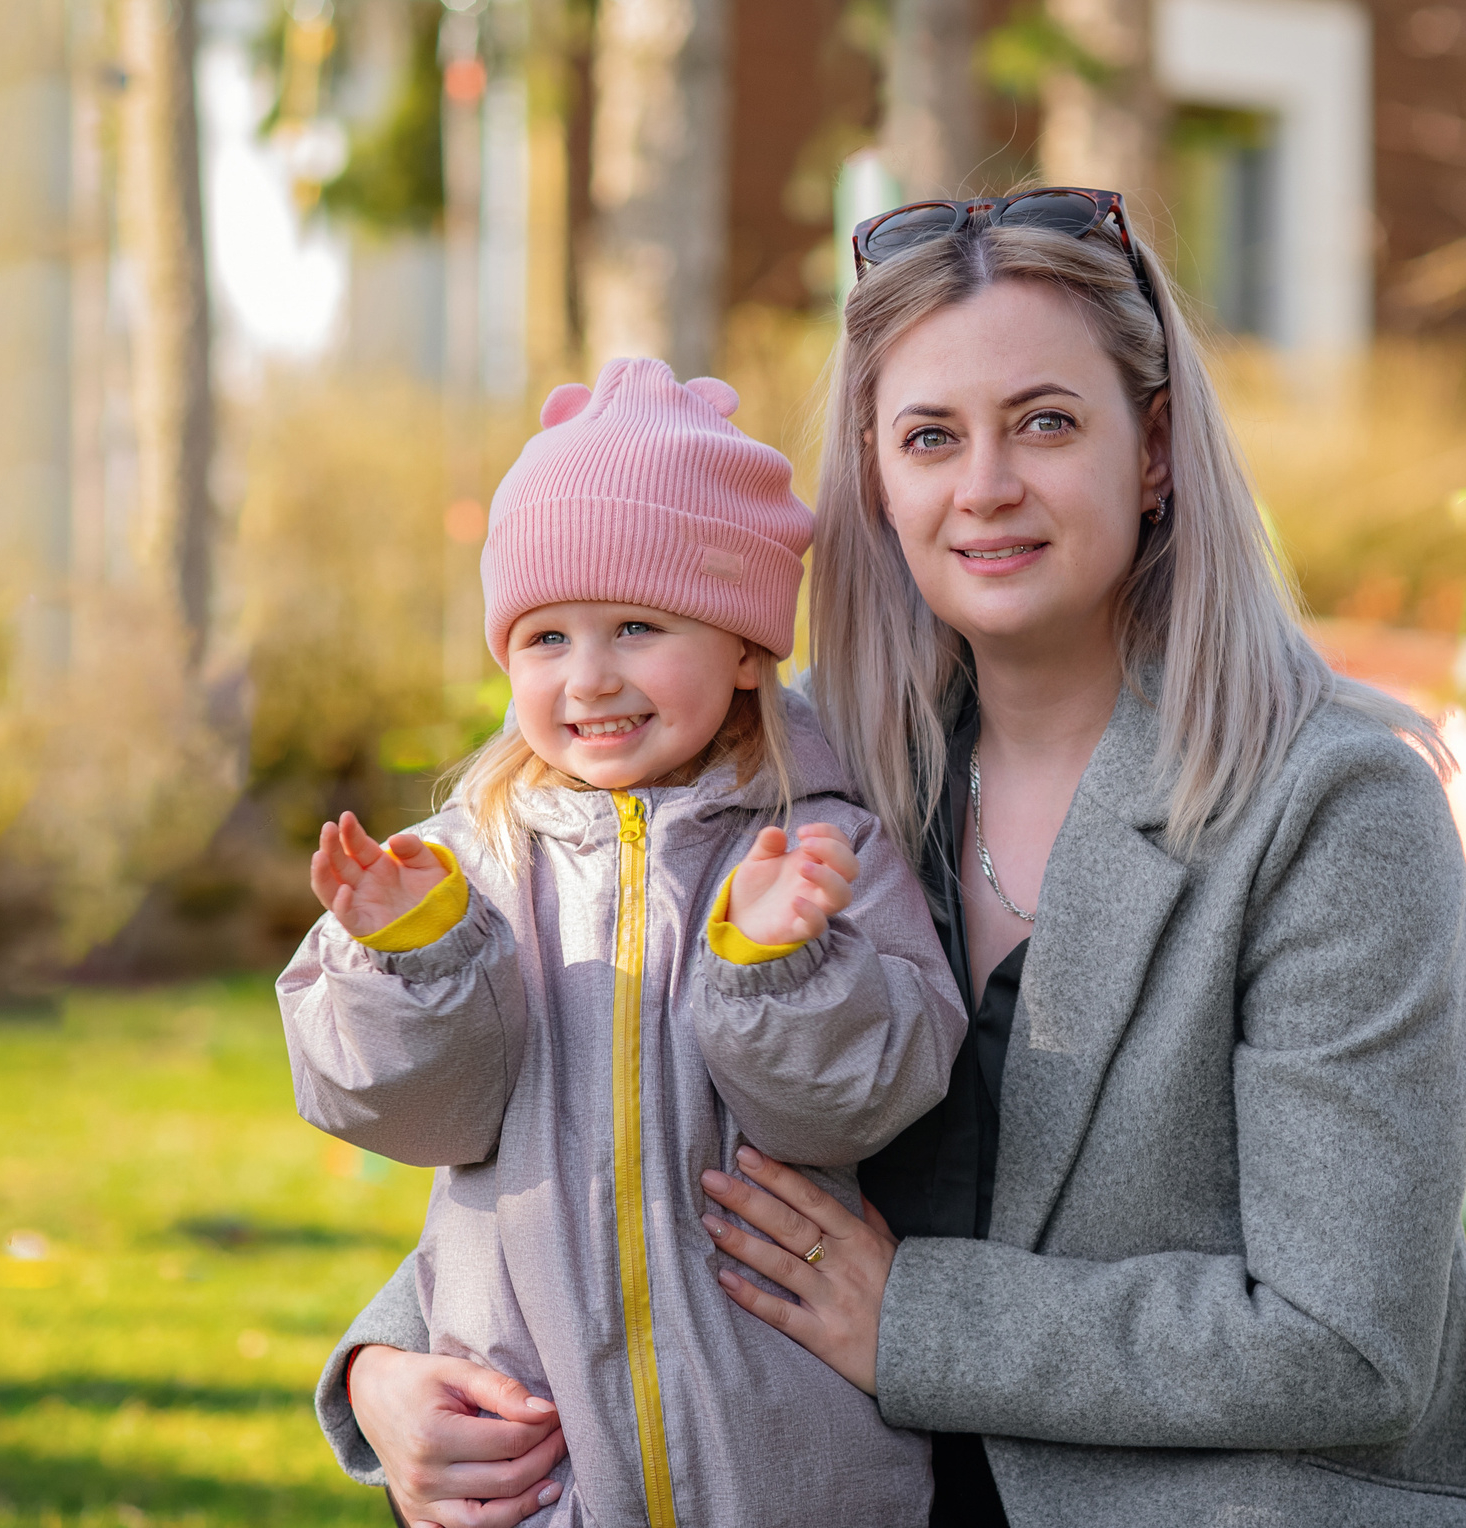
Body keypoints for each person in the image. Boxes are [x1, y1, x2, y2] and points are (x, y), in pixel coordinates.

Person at [326, 191, 1466, 1527]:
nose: (985, 486)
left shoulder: (1333, 805)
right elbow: (614, 1108)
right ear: (878, 478)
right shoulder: (813, 798)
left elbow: (1345, 1338)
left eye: (1044, 423)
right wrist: (390, 1369)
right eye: (929, 437)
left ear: (1152, 451)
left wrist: (913, 1321)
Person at [280, 357, 966, 1528]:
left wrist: (777, 966)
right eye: (544, 637)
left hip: (792, 1481)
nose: (588, 677)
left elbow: (856, 1108)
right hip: (542, 1477)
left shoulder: (819, 848)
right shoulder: (462, 862)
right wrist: (419, 961)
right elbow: (406, 1114)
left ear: (747, 648)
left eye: (638, 626)